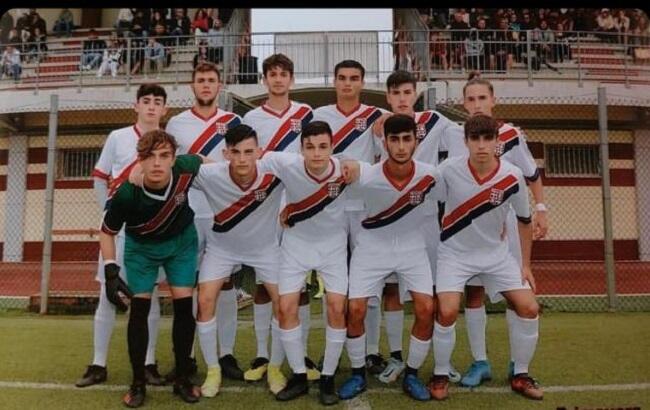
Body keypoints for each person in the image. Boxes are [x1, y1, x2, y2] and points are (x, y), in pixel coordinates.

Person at [429, 114, 542, 401]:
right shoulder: (448, 170)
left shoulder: (512, 176)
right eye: (475, 139)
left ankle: (521, 374)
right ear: (465, 141)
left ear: (497, 141)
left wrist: (525, 265)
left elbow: (524, 221)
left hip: (496, 256)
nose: (481, 145)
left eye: (487, 139)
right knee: (447, 311)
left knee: (529, 307)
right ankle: (440, 374)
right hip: (454, 254)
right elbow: (431, 200)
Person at [173, 124, 285, 398]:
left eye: (248, 152)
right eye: (236, 152)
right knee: (205, 300)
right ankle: (213, 370)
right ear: (225, 154)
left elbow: (311, 169)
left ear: (259, 152)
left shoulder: (276, 171)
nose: (243, 159)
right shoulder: (212, 174)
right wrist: (197, 159)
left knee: (284, 304)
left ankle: (275, 367)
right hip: (222, 249)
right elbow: (172, 165)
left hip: (265, 250)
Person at [338, 114, 444, 402]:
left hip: (412, 248)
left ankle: (412, 373)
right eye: (394, 140)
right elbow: (331, 173)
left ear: (416, 141)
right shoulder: (366, 175)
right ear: (384, 143)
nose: (400, 146)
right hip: (371, 247)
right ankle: (357, 373)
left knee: (426, 307)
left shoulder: (431, 175)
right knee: (355, 309)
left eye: (406, 139)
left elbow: (455, 197)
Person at [371, 70, 466, 386]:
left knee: (435, 292)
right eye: (396, 93)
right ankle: (397, 357)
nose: (402, 98)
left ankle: (441, 360)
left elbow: (468, 135)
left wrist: (505, 131)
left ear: (416, 94)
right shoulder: (378, 125)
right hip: (390, 220)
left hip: (426, 220)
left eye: (407, 92)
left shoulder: (435, 121)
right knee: (392, 290)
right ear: (388, 96)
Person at [101, 130, 206, 407]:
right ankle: (138, 383)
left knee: (184, 307)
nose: (157, 163)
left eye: (164, 156)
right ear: (140, 160)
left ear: (174, 158)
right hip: (142, 250)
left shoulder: (185, 168)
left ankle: (182, 378)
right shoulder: (127, 194)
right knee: (140, 309)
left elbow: (203, 159)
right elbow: (107, 232)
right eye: (149, 157)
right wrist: (111, 271)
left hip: (181, 244)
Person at [457, 72, 548, 389]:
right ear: (463, 103)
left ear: (493, 100)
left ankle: (518, 365)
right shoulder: (457, 136)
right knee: (474, 293)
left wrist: (541, 208)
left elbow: (532, 174)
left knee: (516, 292)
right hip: (473, 227)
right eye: (471, 99)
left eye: (482, 98)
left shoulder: (510, 134)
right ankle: (480, 361)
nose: (477, 104)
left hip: (508, 224)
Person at [76, 84, 170, 391]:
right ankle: (98, 364)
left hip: (151, 231)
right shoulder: (118, 137)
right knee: (108, 294)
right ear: (136, 105)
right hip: (118, 231)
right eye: (146, 101)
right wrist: (109, 210)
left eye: (158, 102)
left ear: (165, 109)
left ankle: (149, 363)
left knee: (149, 295)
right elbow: (100, 177)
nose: (152, 106)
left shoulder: (168, 142)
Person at [260, 121, 355, 405]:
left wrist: (357, 166)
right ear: (300, 148)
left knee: (337, 308)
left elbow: (376, 175)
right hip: (296, 246)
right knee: (286, 307)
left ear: (333, 147)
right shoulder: (286, 163)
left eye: (323, 146)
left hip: (333, 247)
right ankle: (299, 375)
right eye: (310, 147)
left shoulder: (346, 169)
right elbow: (250, 161)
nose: (316, 153)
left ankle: (327, 378)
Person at [165, 62, 244, 384]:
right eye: (201, 80)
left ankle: (226, 354)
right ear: (192, 85)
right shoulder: (176, 123)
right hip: (186, 212)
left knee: (225, 284)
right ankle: (187, 357)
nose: (206, 85)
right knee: (188, 285)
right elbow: (171, 166)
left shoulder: (233, 122)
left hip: (222, 212)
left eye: (212, 80)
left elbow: (240, 165)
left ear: (219, 85)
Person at [241, 53, 314, 390]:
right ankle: (262, 354)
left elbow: (313, 156)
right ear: (264, 79)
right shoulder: (251, 118)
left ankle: (302, 353)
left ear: (291, 79)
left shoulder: (306, 113)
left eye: (284, 74)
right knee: (263, 283)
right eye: (272, 74)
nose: (278, 79)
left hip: (298, 204)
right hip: (265, 206)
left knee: (300, 285)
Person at [312, 59, 389, 376]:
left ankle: (371, 350)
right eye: (342, 78)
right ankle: (329, 352)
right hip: (329, 207)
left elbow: (386, 161)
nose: (347, 83)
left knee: (369, 279)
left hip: (364, 208)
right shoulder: (319, 116)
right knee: (330, 283)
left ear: (362, 82)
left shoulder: (376, 116)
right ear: (334, 81)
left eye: (354, 78)